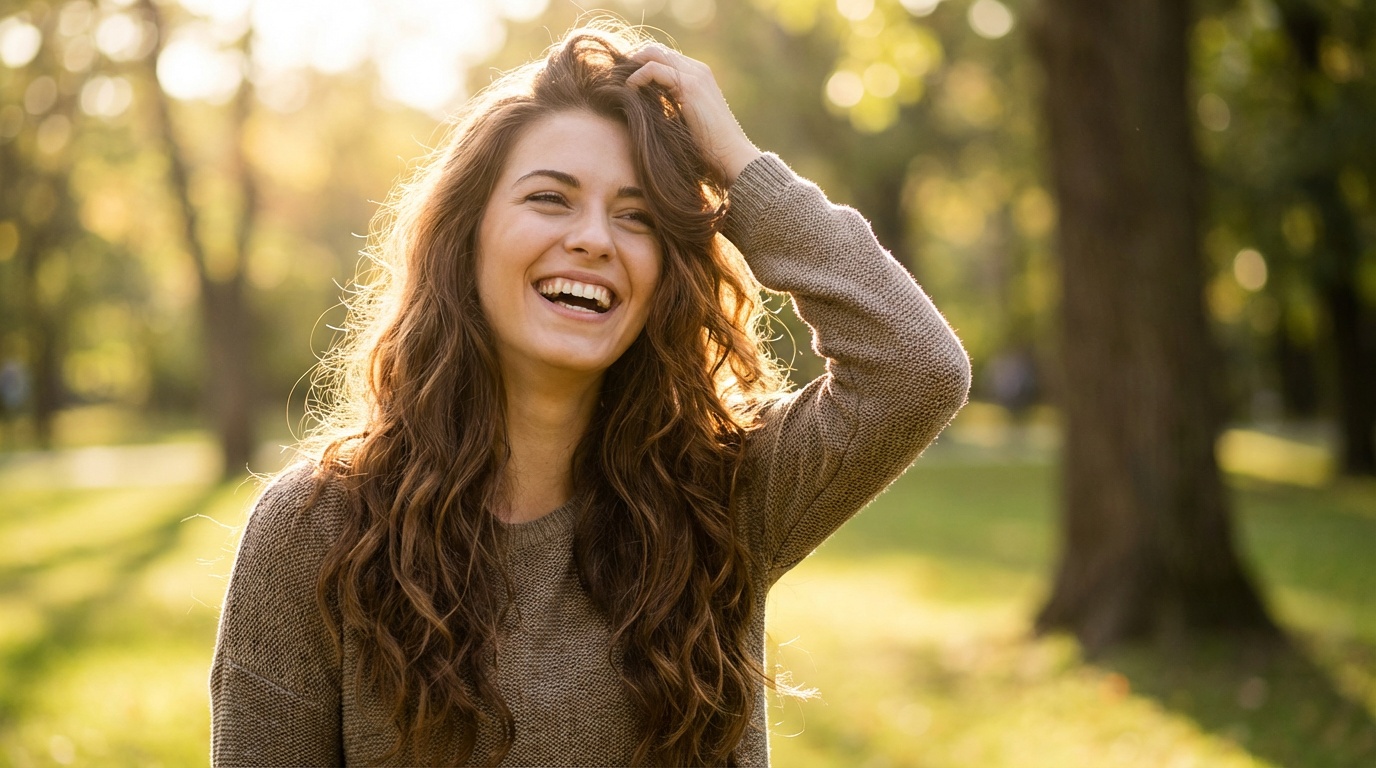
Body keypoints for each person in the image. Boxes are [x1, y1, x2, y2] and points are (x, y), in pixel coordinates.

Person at [209, 22, 970, 768]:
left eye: (636, 215)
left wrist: (738, 166)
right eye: (550, 198)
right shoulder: (315, 532)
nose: (595, 239)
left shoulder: (725, 497)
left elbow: (915, 368)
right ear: (465, 237)